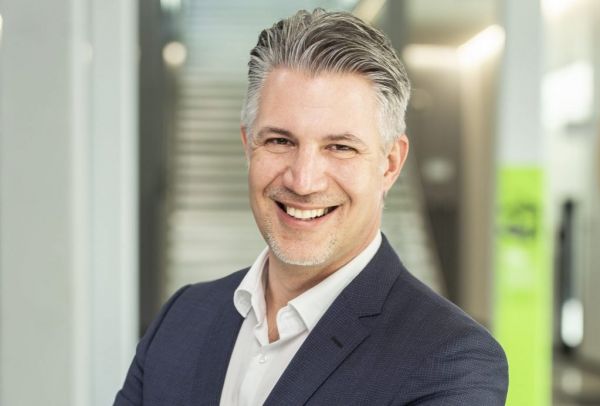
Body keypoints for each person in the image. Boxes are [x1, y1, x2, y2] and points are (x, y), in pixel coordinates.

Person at [114, 9, 508, 406]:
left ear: (390, 164)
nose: (303, 182)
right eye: (280, 141)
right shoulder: (182, 317)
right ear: (248, 146)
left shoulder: (451, 359)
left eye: (340, 147)